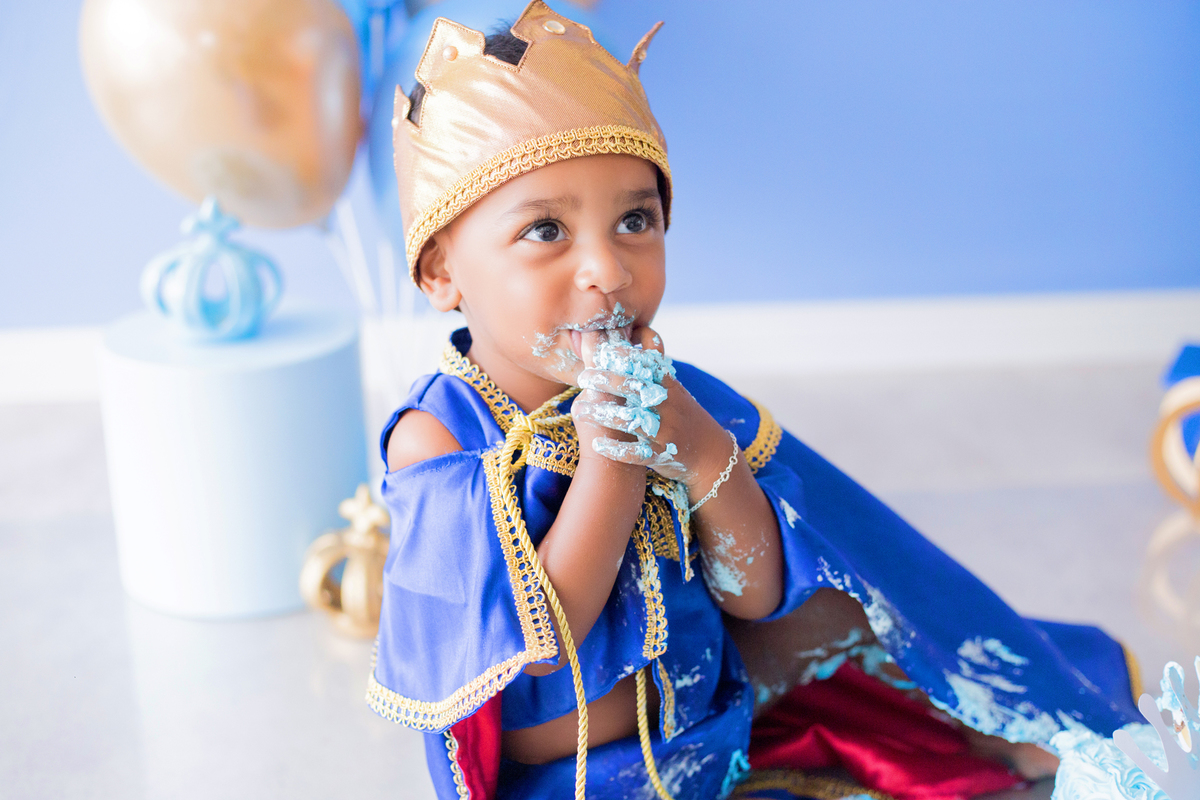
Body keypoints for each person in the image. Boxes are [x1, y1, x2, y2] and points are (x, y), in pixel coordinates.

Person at [366, 4, 1142, 798]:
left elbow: (761, 596)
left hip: (715, 734)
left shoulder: (673, 392)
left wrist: (706, 457)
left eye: (635, 220)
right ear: (441, 273)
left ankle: (990, 724)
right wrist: (612, 464)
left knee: (860, 621)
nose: (608, 269)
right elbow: (542, 650)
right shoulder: (437, 441)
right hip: (578, 780)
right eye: (545, 231)